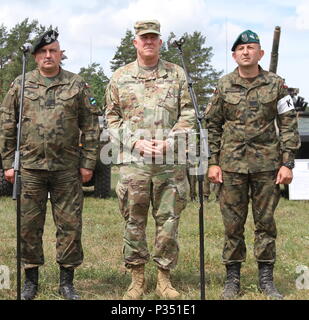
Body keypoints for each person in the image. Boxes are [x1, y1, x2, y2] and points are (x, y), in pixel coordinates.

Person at [0, 30, 100, 300]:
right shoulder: (20, 84)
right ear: (35, 57)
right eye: (43, 52)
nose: (48, 55)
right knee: (28, 226)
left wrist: (88, 161)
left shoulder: (76, 84)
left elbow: (90, 126)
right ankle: (30, 279)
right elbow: (7, 125)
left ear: (60, 54)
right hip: (30, 168)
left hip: (67, 168)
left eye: (53, 51)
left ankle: (66, 282)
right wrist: (9, 163)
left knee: (70, 226)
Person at [206, 30, 300, 300]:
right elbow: (212, 125)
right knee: (232, 225)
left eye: (251, 47)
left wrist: (288, 163)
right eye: (241, 48)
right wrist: (213, 162)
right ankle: (232, 278)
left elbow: (288, 124)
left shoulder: (276, 85)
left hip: (267, 167)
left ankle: (266, 278)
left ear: (260, 53)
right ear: (234, 55)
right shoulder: (224, 85)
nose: (246, 52)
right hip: (231, 166)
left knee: (266, 223)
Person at [105, 20, 195, 300]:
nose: (148, 42)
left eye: (153, 38)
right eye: (143, 38)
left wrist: (171, 140)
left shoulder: (177, 74)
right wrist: (135, 141)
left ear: (160, 42)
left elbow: (189, 113)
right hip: (135, 164)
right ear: (135, 42)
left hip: (170, 164)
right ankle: (137, 279)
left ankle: (164, 280)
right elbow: (111, 118)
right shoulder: (120, 77)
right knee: (134, 221)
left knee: (168, 221)